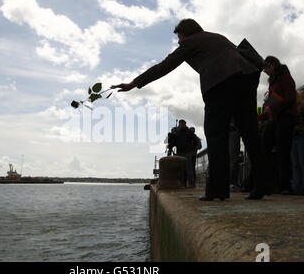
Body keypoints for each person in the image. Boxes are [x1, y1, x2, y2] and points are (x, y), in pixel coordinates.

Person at [111, 18, 264, 201]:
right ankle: (262, 186)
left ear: (186, 33)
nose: (178, 42)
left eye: (179, 37)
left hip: (220, 84)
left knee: (216, 137)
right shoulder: (217, 37)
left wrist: (134, 83)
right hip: (246, 80)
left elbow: (163, 67)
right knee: (250, 134)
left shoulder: (191, 42)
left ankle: (217, 191)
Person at [259, 56, 297, 195]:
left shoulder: (285, 78)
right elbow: (270, 106)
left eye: (266, 68)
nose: (264, 71)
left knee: (283, 152)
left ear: (273, 65)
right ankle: (265, 184)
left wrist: (273, 108)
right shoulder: (272, 82)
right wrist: (258, 117)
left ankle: (285, 186)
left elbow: (291, 97)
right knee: (264, 150)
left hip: (286, 117)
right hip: (274, 119)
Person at [175, 120, 196, 188]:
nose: (181, 125)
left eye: (183, 123)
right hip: (179, 152)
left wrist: (191, 148)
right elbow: (173, 141)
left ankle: (191, 183)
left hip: (187, 152)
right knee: (180, 169)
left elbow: (195, 140)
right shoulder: (177, 132)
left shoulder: (189, 132)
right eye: (180, 123)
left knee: (189, 169)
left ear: (185, 124)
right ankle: (181, 183)